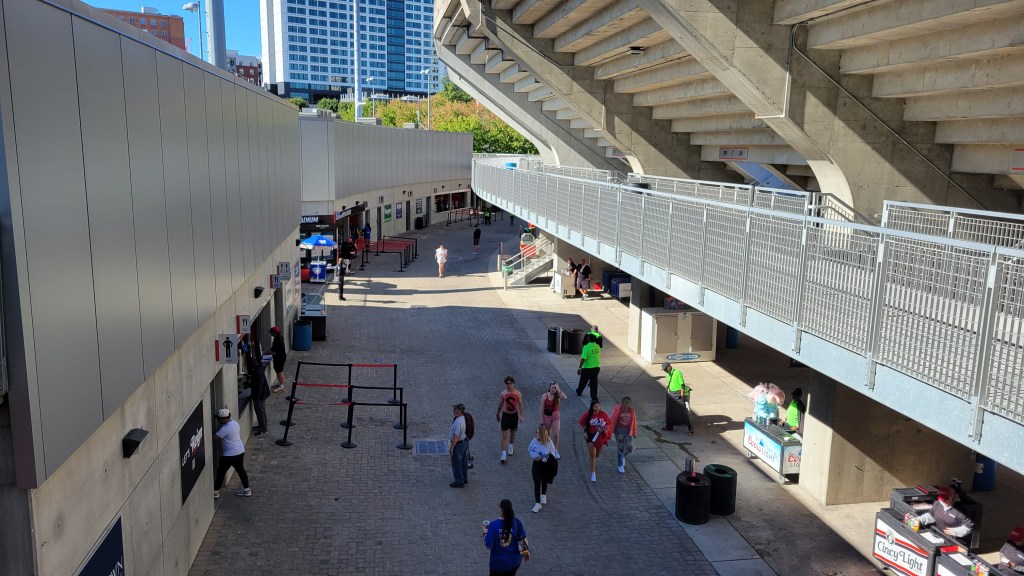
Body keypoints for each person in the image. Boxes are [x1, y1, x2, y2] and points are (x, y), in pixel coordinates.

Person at [484, 499, 529, 576]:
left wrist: (485, 533)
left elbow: (488, 545)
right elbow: (523, 538)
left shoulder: (493, 525)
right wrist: (525, 553)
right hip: (515, 562)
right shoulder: (517, 522)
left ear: (501, 509)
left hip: (499, 565)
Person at [213, 408, 251, 498]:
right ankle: (247, 490)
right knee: (241, 470)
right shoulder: (235, 423)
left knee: (221, 472)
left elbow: (214, 438)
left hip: (229, 455)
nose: (218, 420)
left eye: (219, 419)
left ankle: (215, 491)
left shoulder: (225, 429)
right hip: (240, 451)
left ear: (224, 419)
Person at [578, 400, 612, 482]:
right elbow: (583, 424)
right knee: (592, 455)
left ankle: (593, 461)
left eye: (598, 406)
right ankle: (593, 473)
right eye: (595, 406)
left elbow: (608, 424)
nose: (597, 408)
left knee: (596, 455)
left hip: (599, 436)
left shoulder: (603, 414)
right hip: (590, 436)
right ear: (592, 407)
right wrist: (585, 432)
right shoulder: (587, 414)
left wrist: (603, 429)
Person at [528, 425, 559, 513]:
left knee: (544, 481)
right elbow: (530, 450)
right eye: (536, 432)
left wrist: (547, 457)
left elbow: (553, 455)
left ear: (542, 434)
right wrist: (536, 456)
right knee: (537, 483)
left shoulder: (549, 443)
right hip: (536, 464)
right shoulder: (534, 441)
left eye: (538, 432)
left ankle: (543, 494)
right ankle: (537, 503)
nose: (536, 434)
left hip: (546, 466)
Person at [243, 336, 271, 436]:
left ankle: (263, 429)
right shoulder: (257, 369)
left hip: (260, 396)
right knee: (259, 412)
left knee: (261, 412)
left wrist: (256, 397)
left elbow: (259, 385)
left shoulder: (257, 372)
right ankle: (261, 426)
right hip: (260, 395)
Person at [496, 375, 524, 464]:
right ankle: (503, 454)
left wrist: (521, 415)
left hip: (514, 415)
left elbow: (520, 405)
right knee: (504, 435)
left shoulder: (518, 393)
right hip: (506, 416)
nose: (509, 385)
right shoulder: (503, 394)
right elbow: (500, 405)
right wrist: (497, 414)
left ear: (513, 383)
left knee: (512, 433)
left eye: (510, 383)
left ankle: (511, 445)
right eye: (507, 383)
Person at [661, 362, 694, 435]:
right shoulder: (668, 374)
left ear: (669, 367)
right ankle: (669, 426)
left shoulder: (677, 373)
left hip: (678, 393)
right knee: (670, 411)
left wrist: (681, 395)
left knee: (683, 411)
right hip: (671, 394)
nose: (665, 371)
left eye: (665, 369)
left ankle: (690, 428)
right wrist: (669, 388)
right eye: (664, 370)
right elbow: (671, 382)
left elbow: (682, 385)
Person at [610, 397, 637, 474]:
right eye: (625, 402)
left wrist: (634, 432)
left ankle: (622, 456)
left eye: (628, 402)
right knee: (620, 448)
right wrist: (610, 430)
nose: (626, 404)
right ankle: (620, 465)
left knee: (630, 448)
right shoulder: (617, 409)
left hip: (628, 431)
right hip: (619, 431)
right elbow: (612, 419)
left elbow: (634, 422)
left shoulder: (632, 411)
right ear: (622, 402)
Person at [539, 382, 568, 449]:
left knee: (556, 434)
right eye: (552, 387)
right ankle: (548, 447)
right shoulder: (545, 396)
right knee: (547, 433)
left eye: (555, 388)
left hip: (556, 417)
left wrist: (559, 389)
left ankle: (555, 449)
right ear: (549, 388)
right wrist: (541, 419)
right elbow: (541, 408)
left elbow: (565, 397)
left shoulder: (557, 395)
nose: (553, 389)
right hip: (547, 417)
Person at [575, 333, 601, 402]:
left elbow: (583, 358)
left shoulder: (586, 347)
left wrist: (580, 368)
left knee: (583, 381)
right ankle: (594, 397)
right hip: (596, 367)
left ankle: (579, 391)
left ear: (589, 339)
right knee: (594, 383)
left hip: (587, 368)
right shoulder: (597, 347)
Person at [449, 404, 469, 488]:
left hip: (458, 444)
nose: (454, 410)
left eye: (455, 409)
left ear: (459, 411)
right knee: (464, 462)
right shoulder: (464, 418)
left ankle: (459, 482)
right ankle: (464, 478)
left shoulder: (458, 422)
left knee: (456, 463)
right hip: (465, 441)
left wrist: (451, 448)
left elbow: (456, 437)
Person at [269, 326, 287, 393]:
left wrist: (267, 353)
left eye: (271, 332)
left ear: (274, 333)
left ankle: (281, 386)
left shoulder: (278, 340)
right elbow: (273, 348)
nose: (270, 334)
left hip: (280, 358)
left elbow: (274, 351)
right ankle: (280, 383)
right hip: (279, 357)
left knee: (279, 371)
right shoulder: (278, 337)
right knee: (278, 371)